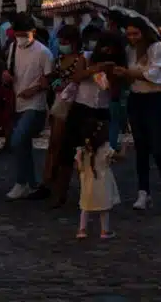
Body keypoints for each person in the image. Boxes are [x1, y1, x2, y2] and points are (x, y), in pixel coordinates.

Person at [54, 30, 121, 207]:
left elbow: (115, 93)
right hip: (81, 108)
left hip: (101, 110)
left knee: (97, 155)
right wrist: (96, 69)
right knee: (67, 151)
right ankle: (61, 193)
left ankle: (93, 194)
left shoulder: (118, 65)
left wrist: (112, 74)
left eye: (111, 49)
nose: (107, 51)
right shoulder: (87, 57)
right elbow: (76, 77)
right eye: (105, 47)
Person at [115, 19, 161, 213]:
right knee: (140, 147)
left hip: (157, 100)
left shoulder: (158, 48)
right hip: (137, 99)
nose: (132, 38)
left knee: (158, 148)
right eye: (129, 34)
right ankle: (143, 192)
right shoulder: (129, 51)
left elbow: (156, 75)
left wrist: (130, 73)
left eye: (136, 34)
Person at [29, 24, 84, 203]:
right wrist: (55, 84)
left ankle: (66, 186)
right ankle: (48, 182)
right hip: (58, 104)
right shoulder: (59, 59)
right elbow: (51, 78)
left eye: (65, 41)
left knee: (70, 148)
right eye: (60, 41)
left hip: (74, 107)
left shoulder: (81, 60)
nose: (62, 44)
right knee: (54, 145)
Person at [3, 12, 53, 200]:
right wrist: (7, 78)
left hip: (36, 105)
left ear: (33, 32)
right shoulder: (14, 48)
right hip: (17, 103)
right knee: (22, 143)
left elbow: (49, 80)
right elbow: (11, 73)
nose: (21, 39)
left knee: (18, 140)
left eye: (24, 35)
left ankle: (21, 181)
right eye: (17, 35)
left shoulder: (43, 53)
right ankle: (30, 183)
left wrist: (34, 90)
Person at [75, 118, 119, 240]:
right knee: (104, 208)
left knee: (85, 206)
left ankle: (82, 229)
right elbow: (118, 157)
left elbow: (78, 166)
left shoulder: (82, 150)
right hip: (103, 182)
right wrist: (124, 147)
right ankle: (105, 230)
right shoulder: (105, 148)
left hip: (87, 182)